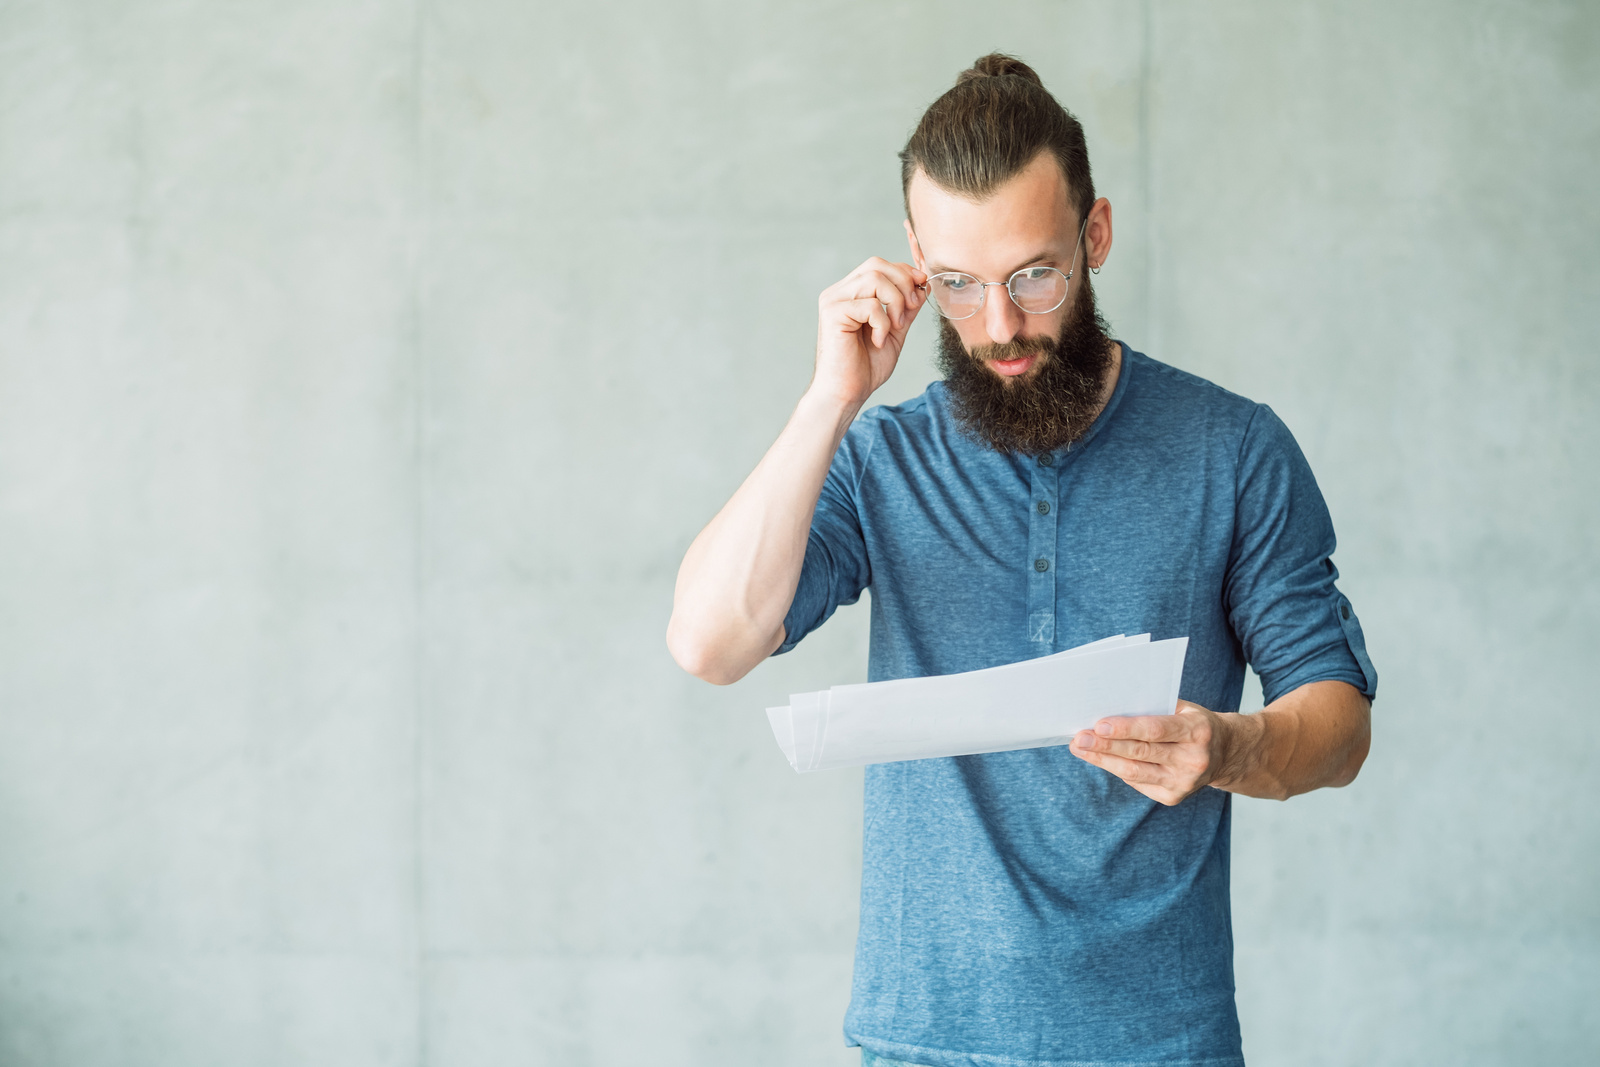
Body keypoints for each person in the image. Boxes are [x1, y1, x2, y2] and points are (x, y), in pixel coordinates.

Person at [666, 53, 1377, 1067]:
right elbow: (708, 641)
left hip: (1160, 1042)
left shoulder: (1233, 451)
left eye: (1033, 275)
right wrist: (830, 398)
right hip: (919, 1043)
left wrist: (1233, 745)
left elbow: (1339, 723)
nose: (998, 325)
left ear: (1094, 233)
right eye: (957, 284)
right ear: (915, 258)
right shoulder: (880, 457)